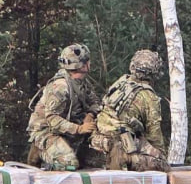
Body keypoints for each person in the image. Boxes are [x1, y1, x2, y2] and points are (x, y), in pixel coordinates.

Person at [89, 49, 169, 172]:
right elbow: (154, 135)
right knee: (162, 165)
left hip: (99, 140)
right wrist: (160, 156)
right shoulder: (148, 96)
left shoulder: (121, 82)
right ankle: (126, 159)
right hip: (120, 145)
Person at [26, 43, 100, 171]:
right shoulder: (61, 87)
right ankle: (39, 151)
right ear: (83, 65)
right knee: (69, 164)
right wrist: (79, 129)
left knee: (99, 158)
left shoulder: (82, 82)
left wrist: (90, 115)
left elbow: (95, 102)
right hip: (46, 131)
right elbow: (52, 119)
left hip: (68, 130)